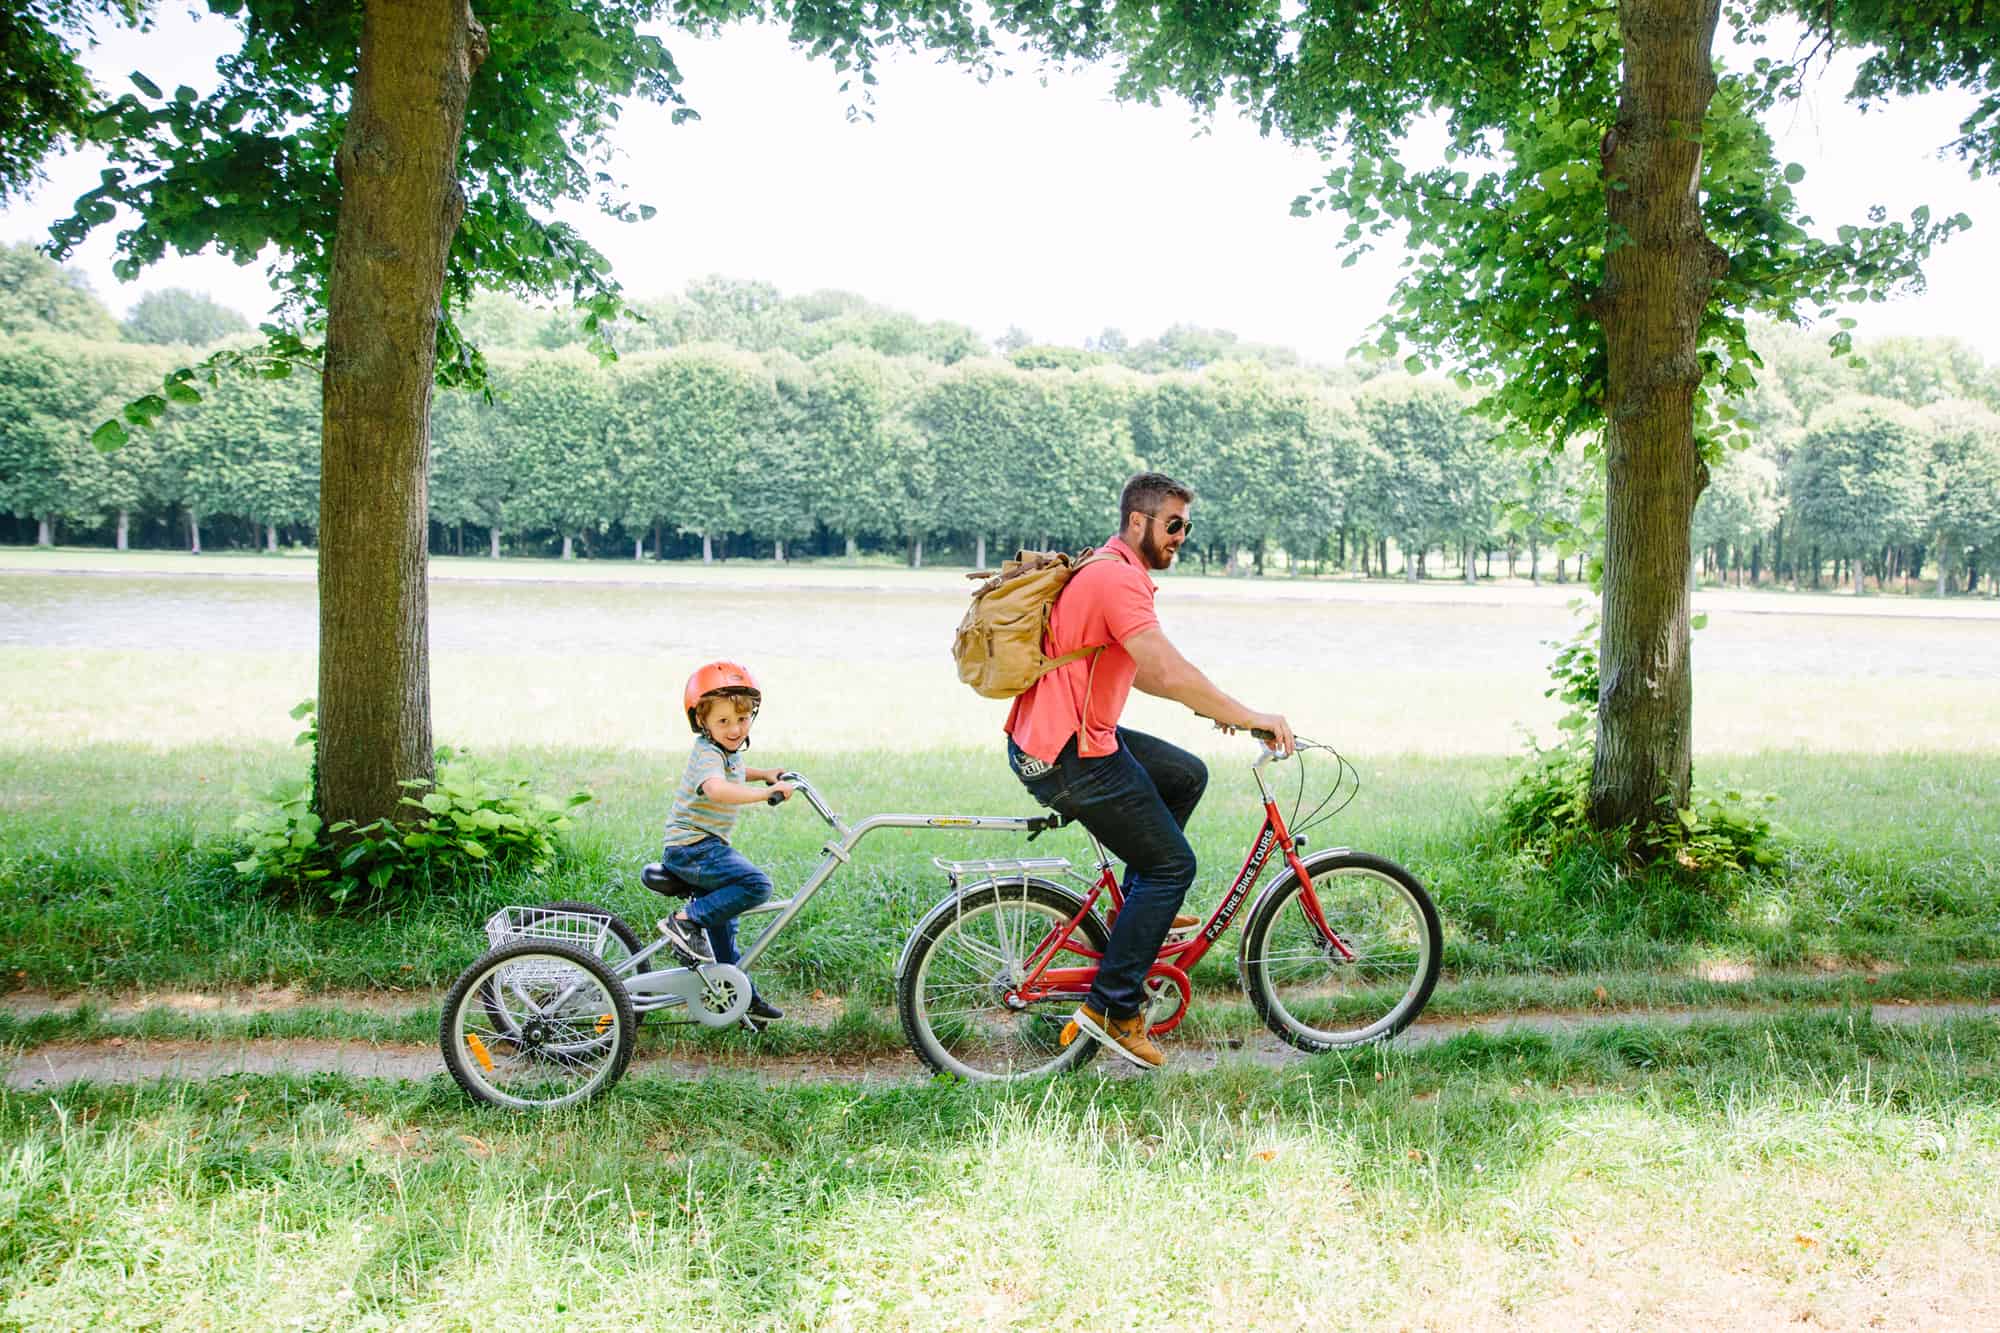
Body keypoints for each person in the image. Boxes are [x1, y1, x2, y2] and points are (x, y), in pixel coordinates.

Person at [1005, 472, 1294, 1069]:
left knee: (1184, 775)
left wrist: (1215, 709)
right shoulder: (1115, 578)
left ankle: (1135, 921)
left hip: (1070, 737)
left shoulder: (1112, 568)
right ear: (1137, 522)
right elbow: (1166, 668)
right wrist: (1246, 714)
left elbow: (1141, 668)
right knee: (1173, 865)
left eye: (1187, 526)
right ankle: (1116, 1005)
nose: (1181, 536)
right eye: (1173, 524)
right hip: (1065, 752)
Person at [657, 659, 795, 1026]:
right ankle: (685, 922)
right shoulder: (706, 753)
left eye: (743, 718)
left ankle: (737, 994)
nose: (735, 729)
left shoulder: (725, 752)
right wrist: (764, 796)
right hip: (691, 849)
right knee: (755, 884)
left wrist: (765, 774)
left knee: (725, 925)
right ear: (701, 722)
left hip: (703, 848)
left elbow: (732, 770)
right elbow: (716, 787)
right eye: (723, 721)